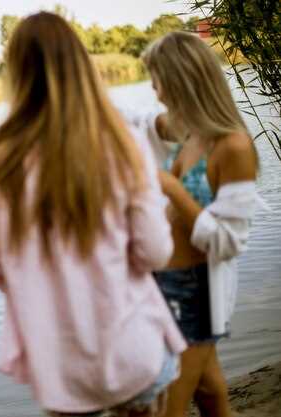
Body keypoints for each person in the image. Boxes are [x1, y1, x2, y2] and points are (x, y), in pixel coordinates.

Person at [0, 12, 186, 416]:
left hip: (60, 367)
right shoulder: (123, 142)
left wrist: (35, 273)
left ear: (16, 74)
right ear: (81, 65)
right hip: (133, 346)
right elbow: (155, 252)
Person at [141, 31, 264, 417]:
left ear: (179, 80)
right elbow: (133, 124)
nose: (153, 89)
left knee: (167, 409)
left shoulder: (234, 146)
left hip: (194, 292)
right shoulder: (185, 132)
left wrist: (173, 190)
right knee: (210, 394)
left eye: (157, 78)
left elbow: (229, 241)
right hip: (164, 284)